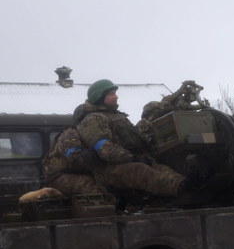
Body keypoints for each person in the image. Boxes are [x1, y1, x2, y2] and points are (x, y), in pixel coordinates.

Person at [43, 79, 185, 206]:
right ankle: (179, 190)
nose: (115, 96)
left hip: (108, 164)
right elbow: (105, 149)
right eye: (111, 93)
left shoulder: (117, 116)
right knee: (137, 170)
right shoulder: (93, 120)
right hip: (94, 169)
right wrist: (132, 157)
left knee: (158, 167)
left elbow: (132, 138)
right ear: (99, 96)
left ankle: (184, 186)